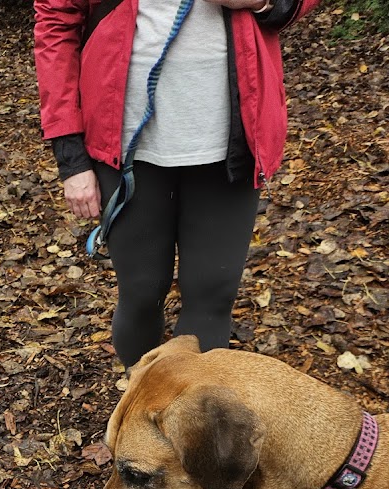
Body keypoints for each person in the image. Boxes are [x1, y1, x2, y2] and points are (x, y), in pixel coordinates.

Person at [33, 0, 320, 370]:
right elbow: (56, 25)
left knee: (212, 296)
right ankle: (141, 403)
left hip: (230, 143)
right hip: (125, 147)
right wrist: (71, 156)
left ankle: (187, 419)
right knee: (141, 294)